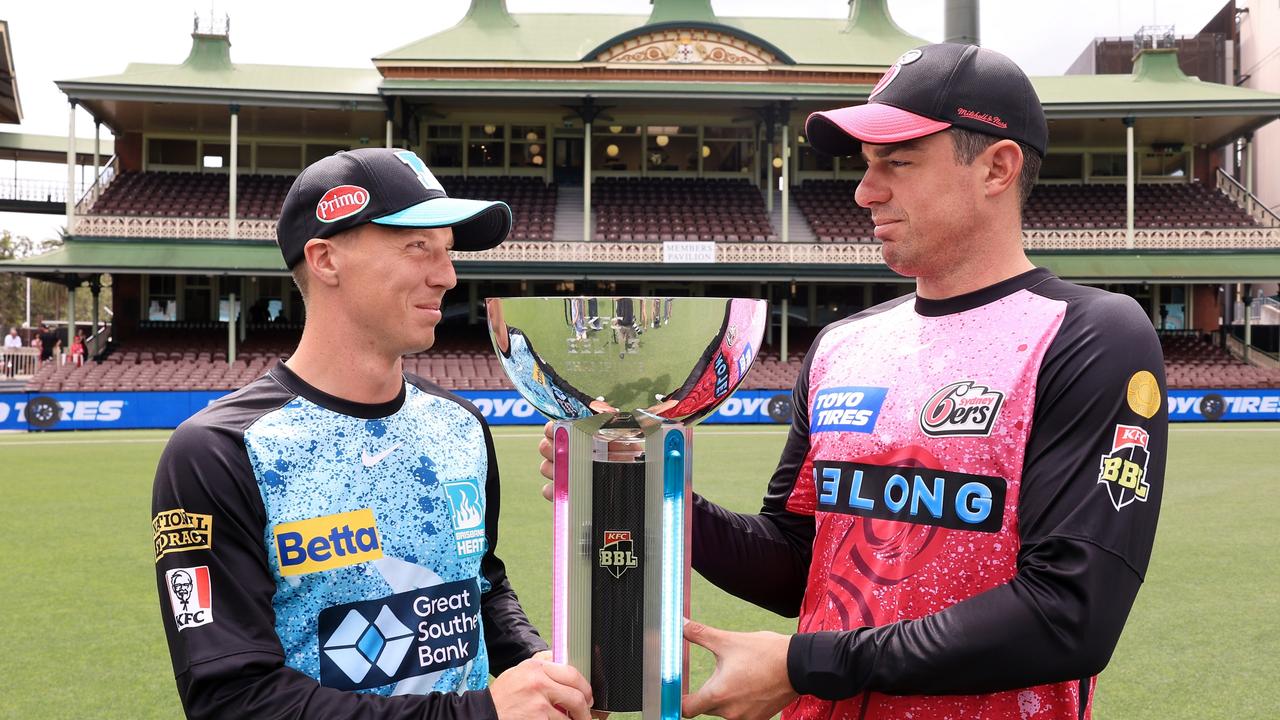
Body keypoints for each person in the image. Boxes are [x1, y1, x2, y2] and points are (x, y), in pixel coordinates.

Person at [540, 43, 1166, 720]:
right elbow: (799, 560)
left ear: (997, 167)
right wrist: (654, 496)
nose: (865, 192)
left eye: (897, 163)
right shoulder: (844, 343)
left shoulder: (1089, 335)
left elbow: (1069, 615)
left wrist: (804, 664)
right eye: (867, 167)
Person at [153, 148, 593, 720]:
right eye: (417, 247)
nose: (447, 276)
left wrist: (540, 669)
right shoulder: (219, 451)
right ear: (325, 259)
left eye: (448, 251)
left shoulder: (459, 426)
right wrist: (479, 713)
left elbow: (479, 583)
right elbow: (232, 700)